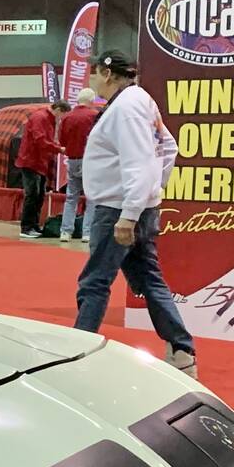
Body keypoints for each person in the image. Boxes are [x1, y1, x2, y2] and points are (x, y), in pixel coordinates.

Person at [72, 50, 197, 376]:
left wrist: (129, 213)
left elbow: (137, 162)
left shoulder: (124, 109)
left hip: (118, 208)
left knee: (95, 282)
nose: (92, 81)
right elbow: (167, 147)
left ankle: (76, 350)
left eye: (94, 75)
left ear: (107, 73)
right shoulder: (141, 101)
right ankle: (181, 349)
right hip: (137, 204)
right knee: (148, 279)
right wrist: (154, 191)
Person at [16, 100, 66, 239]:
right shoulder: (41, 118)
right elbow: (40, 140)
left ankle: (34, 225)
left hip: (40, 162)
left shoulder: (48, 119)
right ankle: (26, 227)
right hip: (31, 161)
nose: (61, 118)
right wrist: (59, 149)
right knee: (32, 194)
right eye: (62, 115)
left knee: (39, 196)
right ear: (59, 109)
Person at [56, 91, 100, 242]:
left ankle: (65, 232)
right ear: (91, 101)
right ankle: (87, 233)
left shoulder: (67, 117)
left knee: (71, 197)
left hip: (72, 160)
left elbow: (61, 141)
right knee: (92, 198)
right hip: (90, 160)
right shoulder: (94, 115)